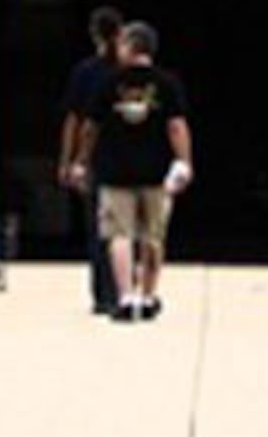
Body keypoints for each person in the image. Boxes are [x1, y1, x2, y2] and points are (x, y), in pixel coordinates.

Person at [79, 20, 193, 321]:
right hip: (156, 172)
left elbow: (91, 126)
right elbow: (176, 126)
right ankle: (149, 295)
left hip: (114, 171)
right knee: (153, 236)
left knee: (120, 235)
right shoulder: (167, 83)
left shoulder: (108, 82)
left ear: (128, 46)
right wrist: (184, 161)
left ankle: (126, 297)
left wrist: (82, 160)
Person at [55, 5, 126, 317]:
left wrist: (67, 160)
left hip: (96, 157)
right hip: (128, 156)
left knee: (99, 229)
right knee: (128, 228)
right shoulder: (128, 73)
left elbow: (74, 120)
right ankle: (126, 289)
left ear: (94, 35)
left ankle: (103, 293)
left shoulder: (85, 73)